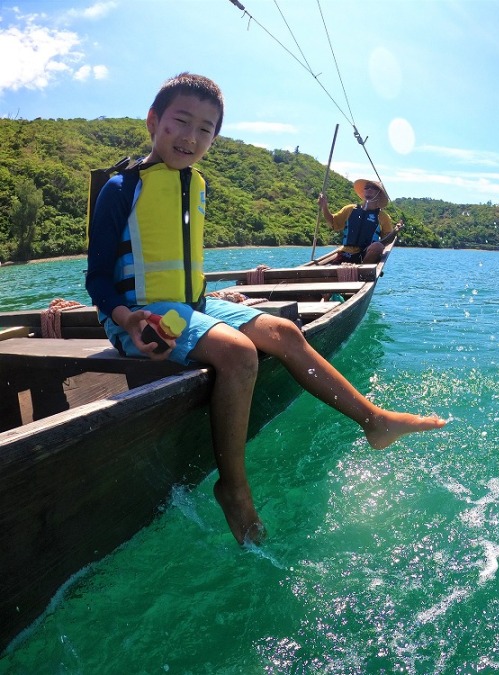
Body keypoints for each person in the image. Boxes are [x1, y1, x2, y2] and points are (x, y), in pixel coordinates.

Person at [86, 73, 446, 546]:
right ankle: (232, 488)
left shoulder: (197, 184)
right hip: (140, 318)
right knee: (240, 354)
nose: (192, 137)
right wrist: (126, 319)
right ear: (154, 120)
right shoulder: (120, 188)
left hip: (192, 307)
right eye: (181, 121)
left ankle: (373, 420)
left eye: (207, 129)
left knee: (284, 332)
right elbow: (97, 279)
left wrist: (216, 300)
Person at [318, 178, 394, 264]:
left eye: (373, 188)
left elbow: (388, 240)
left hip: (366, 254)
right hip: (346, 253)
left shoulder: (383, 217)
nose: (369, 189)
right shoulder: (350, 209)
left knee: (378, 246)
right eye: (367, 187)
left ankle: (362, 270)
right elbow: (332, 221)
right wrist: (324, 207)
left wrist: (395, 232)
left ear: (379, 194)